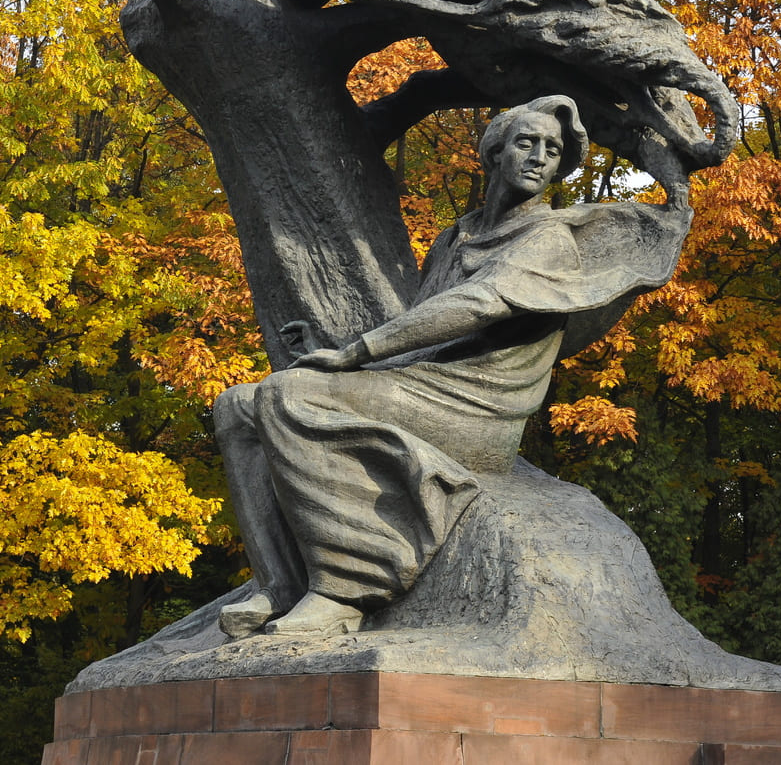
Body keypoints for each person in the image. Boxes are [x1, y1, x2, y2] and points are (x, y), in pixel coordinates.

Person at [212, 94, 596, 638]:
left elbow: (477, 305)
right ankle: (278, 585)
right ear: (494, 153)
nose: (538, 157)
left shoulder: (549, 239)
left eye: (552, 151)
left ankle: (343, 591)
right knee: (236, 407)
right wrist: (334, 350)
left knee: (285, 395)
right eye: (526, 142)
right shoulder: (454, 238)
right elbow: (424, 330)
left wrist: (356, 353)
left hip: (479, 409)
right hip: (425, 385)